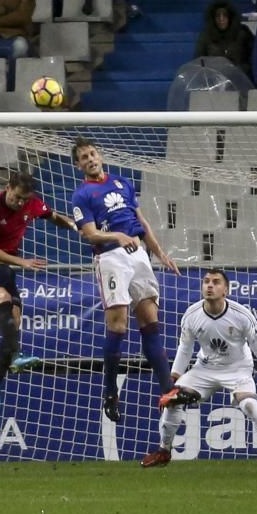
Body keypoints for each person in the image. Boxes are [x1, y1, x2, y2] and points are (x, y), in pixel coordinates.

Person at [140, 269, 257, 468]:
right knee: (174, 399)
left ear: (226, 290)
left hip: (238, 369)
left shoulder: (241, 315)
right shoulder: (192, 315)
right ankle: (164, 450)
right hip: (204, 369)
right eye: (206, 281)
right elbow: (185, 349)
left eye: (216, 282)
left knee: (249, 405)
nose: (210, 286)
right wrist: (171, 383)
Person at [69, 137, 179, 423]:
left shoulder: (123, 183)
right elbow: (90, 234)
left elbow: (142, 223)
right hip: (110, 258)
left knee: (150, 322)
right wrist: (117, 236)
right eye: (84, 157)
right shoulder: (81, 196)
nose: (91, 159)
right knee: (118, 326)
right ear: (78, 165)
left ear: (99, 155)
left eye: (93, 153)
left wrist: (160, 253)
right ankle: (110, 393)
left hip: (138, 255)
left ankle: (168, 391)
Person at [0, 173, 78, 406]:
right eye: (16, 197)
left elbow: (52, 216)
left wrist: (74, 226)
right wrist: (23, 262)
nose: (20, 203)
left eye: (25, 199)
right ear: (8, 188)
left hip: (4, 270)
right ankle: (17, 355)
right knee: (3, 299)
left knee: (14, 321)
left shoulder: (32, 204)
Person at [194, 0, 255, 79]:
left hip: (239, 77)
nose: (221, 19)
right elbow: (199, 60)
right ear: (213, 18)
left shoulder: (243, 33)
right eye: (217, 16)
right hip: (214, 79)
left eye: (225, 15)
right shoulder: (206, 36)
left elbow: (253, 58)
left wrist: (239, 69)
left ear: (230, 17)